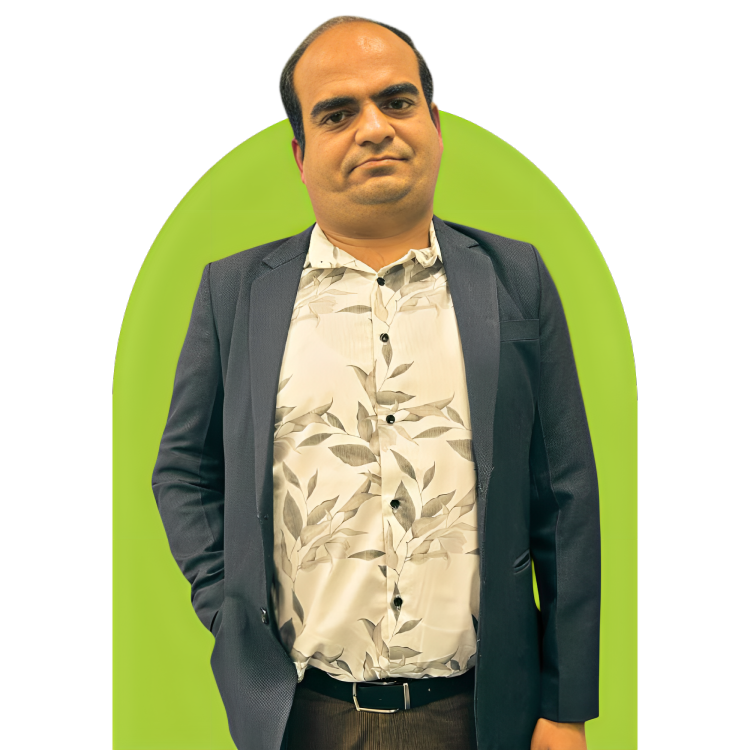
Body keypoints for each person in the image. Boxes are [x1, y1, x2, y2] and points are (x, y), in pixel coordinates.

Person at [152, 14, 600, 750]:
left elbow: (568, 496)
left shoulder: (515, 279)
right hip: (299, 715)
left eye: (396, 101)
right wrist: (229, 608)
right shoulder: (234, 293)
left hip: (486, 713)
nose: (373, 128)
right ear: (301, 154)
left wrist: (566, 706)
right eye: (337, 114)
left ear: (435, 124)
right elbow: (184, 471)